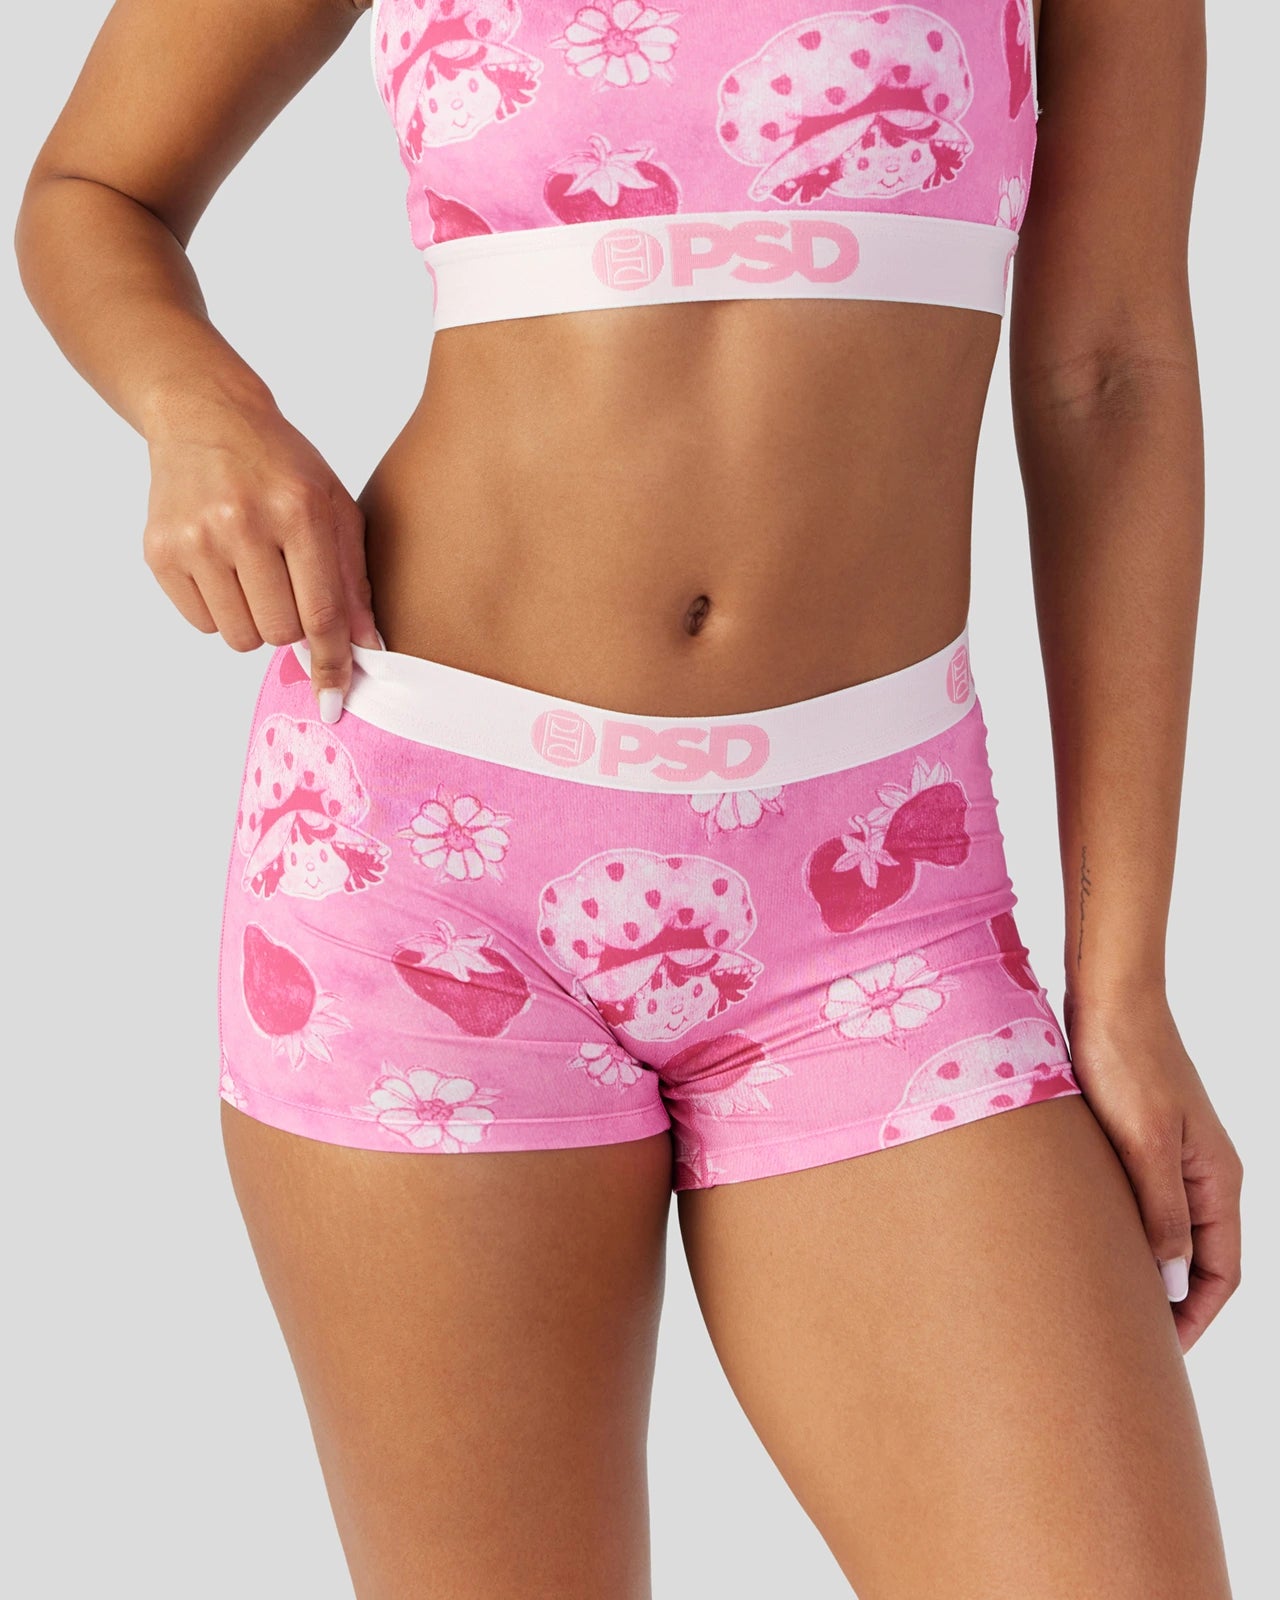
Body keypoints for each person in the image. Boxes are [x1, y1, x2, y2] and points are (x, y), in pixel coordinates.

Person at [15, 1, 1240, 1594]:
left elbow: (1110, 377)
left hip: (878, 901)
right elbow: (92, 191)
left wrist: (1123, 987)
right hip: (420, 864)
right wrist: (200, 412)